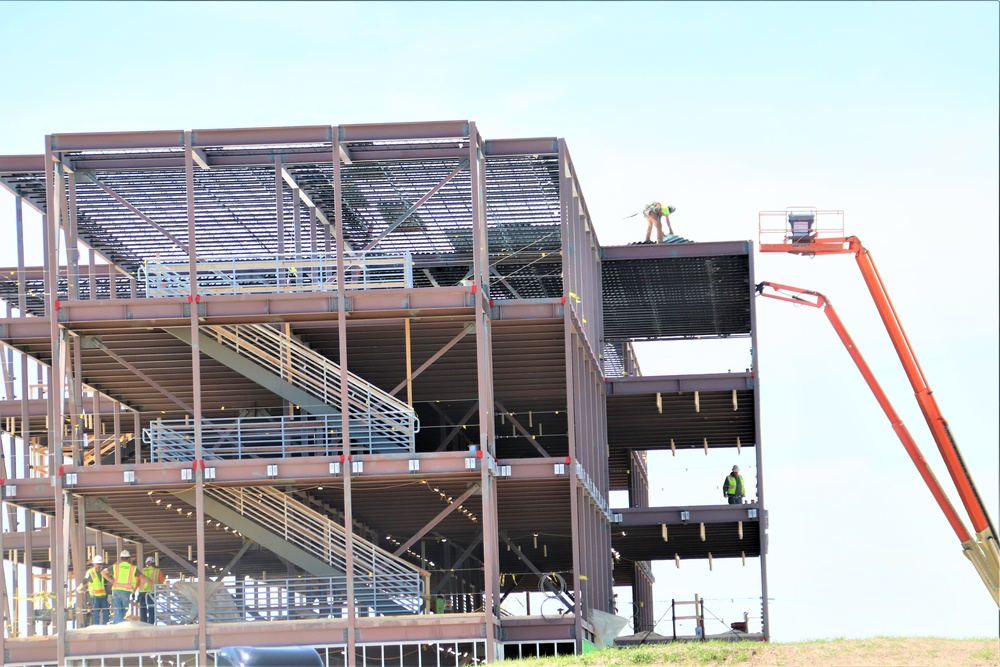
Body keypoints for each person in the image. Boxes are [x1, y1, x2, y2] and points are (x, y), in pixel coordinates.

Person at [102, 549, 150, 623]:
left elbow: (103, 572)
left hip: (116, 590)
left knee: (118, 609)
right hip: (125, 591)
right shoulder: (133, 568)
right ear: (129, 558)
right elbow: (144, 579)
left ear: (121, 558)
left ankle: (117, 623)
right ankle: (118, 624)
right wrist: (151, 582)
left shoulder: (115, 567)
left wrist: (111, 580)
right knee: (124, 609)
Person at [80, 554, 111, 625]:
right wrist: (80, 587)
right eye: (97, 564)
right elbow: (84, 581)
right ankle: (96, 627)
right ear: (94, 564)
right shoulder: (90, 572)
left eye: (100, 564)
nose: (98, 565)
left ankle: (105, 626)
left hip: (103, 596)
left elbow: (106, 584)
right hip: (95, 596)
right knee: (96, 613)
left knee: (106, 613)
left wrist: (109, 594)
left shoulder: (103, 572)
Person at [138, 555, 166, 624]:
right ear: (153, 563)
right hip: (151, 593)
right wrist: (165, 588)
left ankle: (143, 623)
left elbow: (136, 582)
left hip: (142, 592)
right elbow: (163, 581)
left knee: (142, 608)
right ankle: (151, 624)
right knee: (151, 609)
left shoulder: (141, 571)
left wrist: (133, 592)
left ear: (146, 563)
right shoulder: (157, 571)